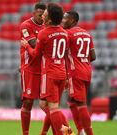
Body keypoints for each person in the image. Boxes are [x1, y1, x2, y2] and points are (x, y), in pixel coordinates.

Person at [22, 3, 73, 135]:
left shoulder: (44, 33)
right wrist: (67, 76)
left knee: (53, 108)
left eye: (45, 14)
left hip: (49, 74)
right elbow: (66, 56)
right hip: (61, 73)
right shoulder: (65, 33)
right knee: (45, 105)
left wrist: (26, 46)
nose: (42, 15)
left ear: (49, 19)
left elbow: (35, 55)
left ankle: (65, 132)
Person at [62, 11, 96, 135]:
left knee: (81, 104)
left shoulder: (68, 34)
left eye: (65, 19)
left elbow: (61, 53)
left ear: (73, 21)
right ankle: (80, 130)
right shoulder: (87, 34)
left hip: (75, 72)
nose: (63, 21)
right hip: (86, 71)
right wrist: (82, 60)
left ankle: (87, 133)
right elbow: (93, 56)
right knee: (72, 101)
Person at [19, 3, 48, 135]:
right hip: (29, 68)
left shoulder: (46, 26)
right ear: (34, 13)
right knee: (28, 102)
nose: (42, 17)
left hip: (43, 69)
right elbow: (34, 45)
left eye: (43, 15)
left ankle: (60, 127)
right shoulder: (26, 25)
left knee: (46, 103)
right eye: (39, 14)